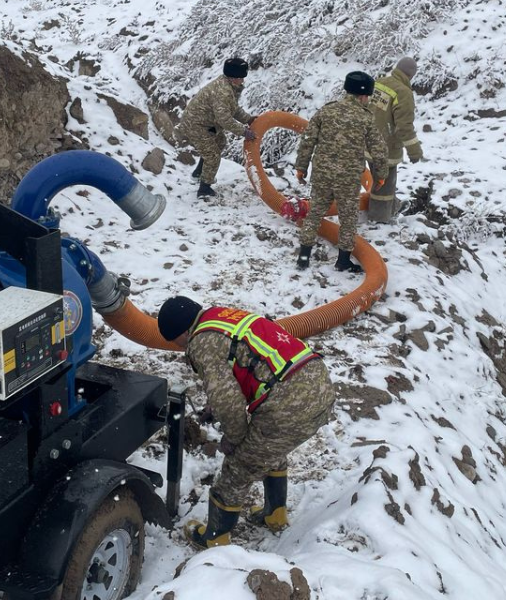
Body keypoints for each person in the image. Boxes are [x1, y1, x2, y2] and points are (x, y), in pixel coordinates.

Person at [156, 296, 335, 549]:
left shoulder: (200, 342)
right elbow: (246, 361)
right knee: (268, 447)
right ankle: (275, 514)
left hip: (289, 405)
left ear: (183, 333)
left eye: (175, 342)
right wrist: (216, 407)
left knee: (238, 467)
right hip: (318, 386)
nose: (179, 348)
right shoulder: (222, 316)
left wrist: (234, 439)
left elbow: (227, 401)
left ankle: (214, 538)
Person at [293, 72, 388, 273]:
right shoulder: (365, 118)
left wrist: (301, 167)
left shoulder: (326, 111)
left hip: (322, 174)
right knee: (348, 218)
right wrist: (380, 175)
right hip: (348, 177)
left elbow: (307, 141)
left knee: (315, 212)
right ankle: (343, 260)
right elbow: (378, 150)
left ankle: (303, 257)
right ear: (363, 95)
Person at [177, 58, 258, 199]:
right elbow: (224, 120)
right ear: (233, 78)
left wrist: (248, 119)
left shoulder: (229, 86)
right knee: (213, 156)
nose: (243, 81)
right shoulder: (223, 92)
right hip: (195, 124)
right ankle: (204, 189)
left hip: (208, 123)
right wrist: (244, 132)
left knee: (220, 142)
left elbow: (233, 108)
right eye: (241, 78)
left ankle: (199, 173)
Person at [367, 56, 424, 222]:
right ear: (411, 75)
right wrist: (415, 152)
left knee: (378, 180)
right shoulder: (404, 93)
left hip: (366, 141)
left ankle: (393, 208)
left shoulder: (379, 82)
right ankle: (379, 221)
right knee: (384, 187)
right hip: (385, 147)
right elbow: (404, 127)